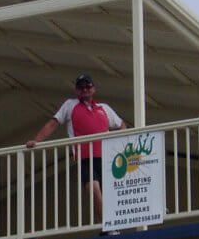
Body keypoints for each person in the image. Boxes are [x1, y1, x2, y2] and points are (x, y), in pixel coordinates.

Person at [26, 74, 126, 220]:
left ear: (94, 89)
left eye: (88, 86)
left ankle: (121, 221)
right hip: (86, 158)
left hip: (107, 157)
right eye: (81, 87)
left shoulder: (104, 108)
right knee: (93, 188)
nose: (85, 89)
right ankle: (108, 224)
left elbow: (121, 124)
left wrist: (121, 143)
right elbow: (53, 123)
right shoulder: (70, 105)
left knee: (114, 192)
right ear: (76, 90)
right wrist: (36, 140)